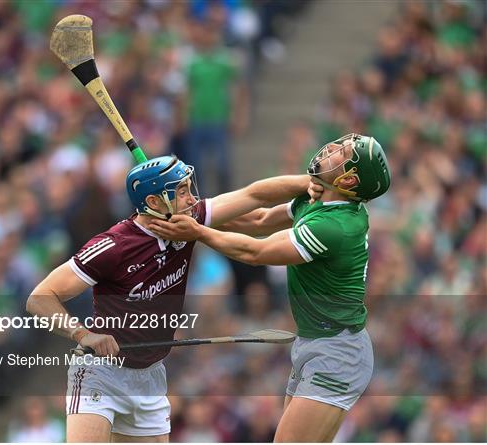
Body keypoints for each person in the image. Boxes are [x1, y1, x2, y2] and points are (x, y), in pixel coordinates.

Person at [26, 154, 323, 443]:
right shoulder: (113, 246)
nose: (192, 199)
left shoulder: (189, 221)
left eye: (189, 188)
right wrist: (83, 334)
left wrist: (314, 181)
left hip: (151, 376)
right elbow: (40, 298)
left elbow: (254, 196)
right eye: (181, 192)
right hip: (102, 373)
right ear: (154, 202)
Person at [148, 134, 392, 442]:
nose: (330, 148)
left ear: (350, 178)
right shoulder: (318, 198)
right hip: (315, 344)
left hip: (338, 353)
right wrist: (196, 213)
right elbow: (260, 218)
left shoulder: (335, 227)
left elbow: (257, 252)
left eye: (341, 152)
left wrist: (197, 232)